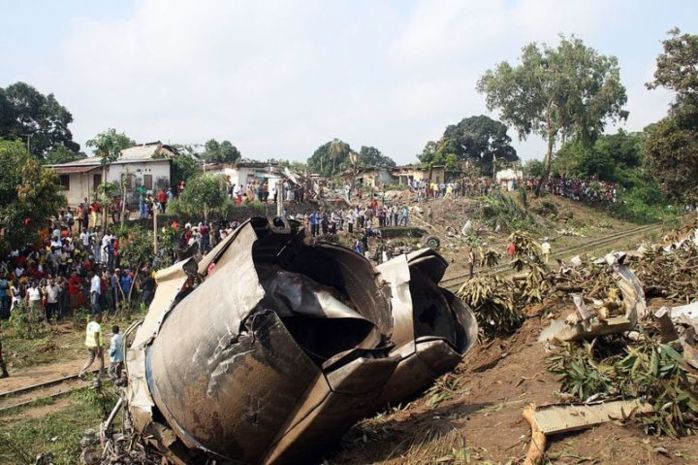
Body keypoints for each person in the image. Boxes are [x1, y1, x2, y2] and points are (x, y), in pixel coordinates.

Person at [79, 313, 104, 379]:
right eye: (101, 318)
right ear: (98, 318)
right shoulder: (97, 326)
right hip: (95, 346)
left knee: (90, 359)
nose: (102, 320)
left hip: (88, 344)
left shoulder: (89, 324)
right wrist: (98, 348)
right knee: (100, 360)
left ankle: (82, 372)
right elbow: (96, 337)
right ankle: (101, 375)